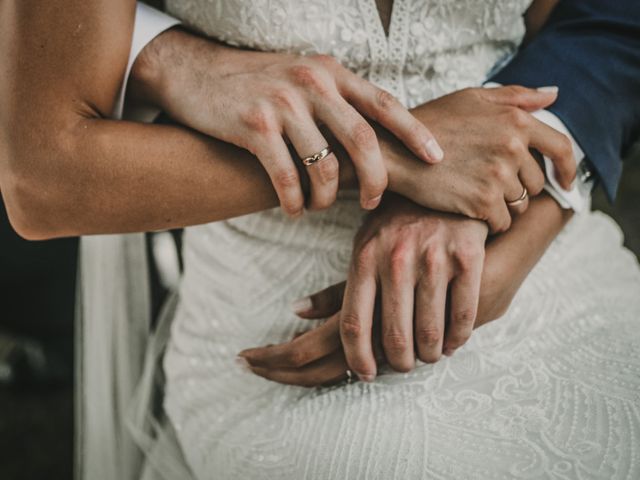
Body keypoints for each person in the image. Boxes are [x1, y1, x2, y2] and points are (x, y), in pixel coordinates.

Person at [1, 1, 639, 479]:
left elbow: (603, 22)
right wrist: (401, 155)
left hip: (539, 249)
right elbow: (43, 179)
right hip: (283, 321)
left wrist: (511, 208)